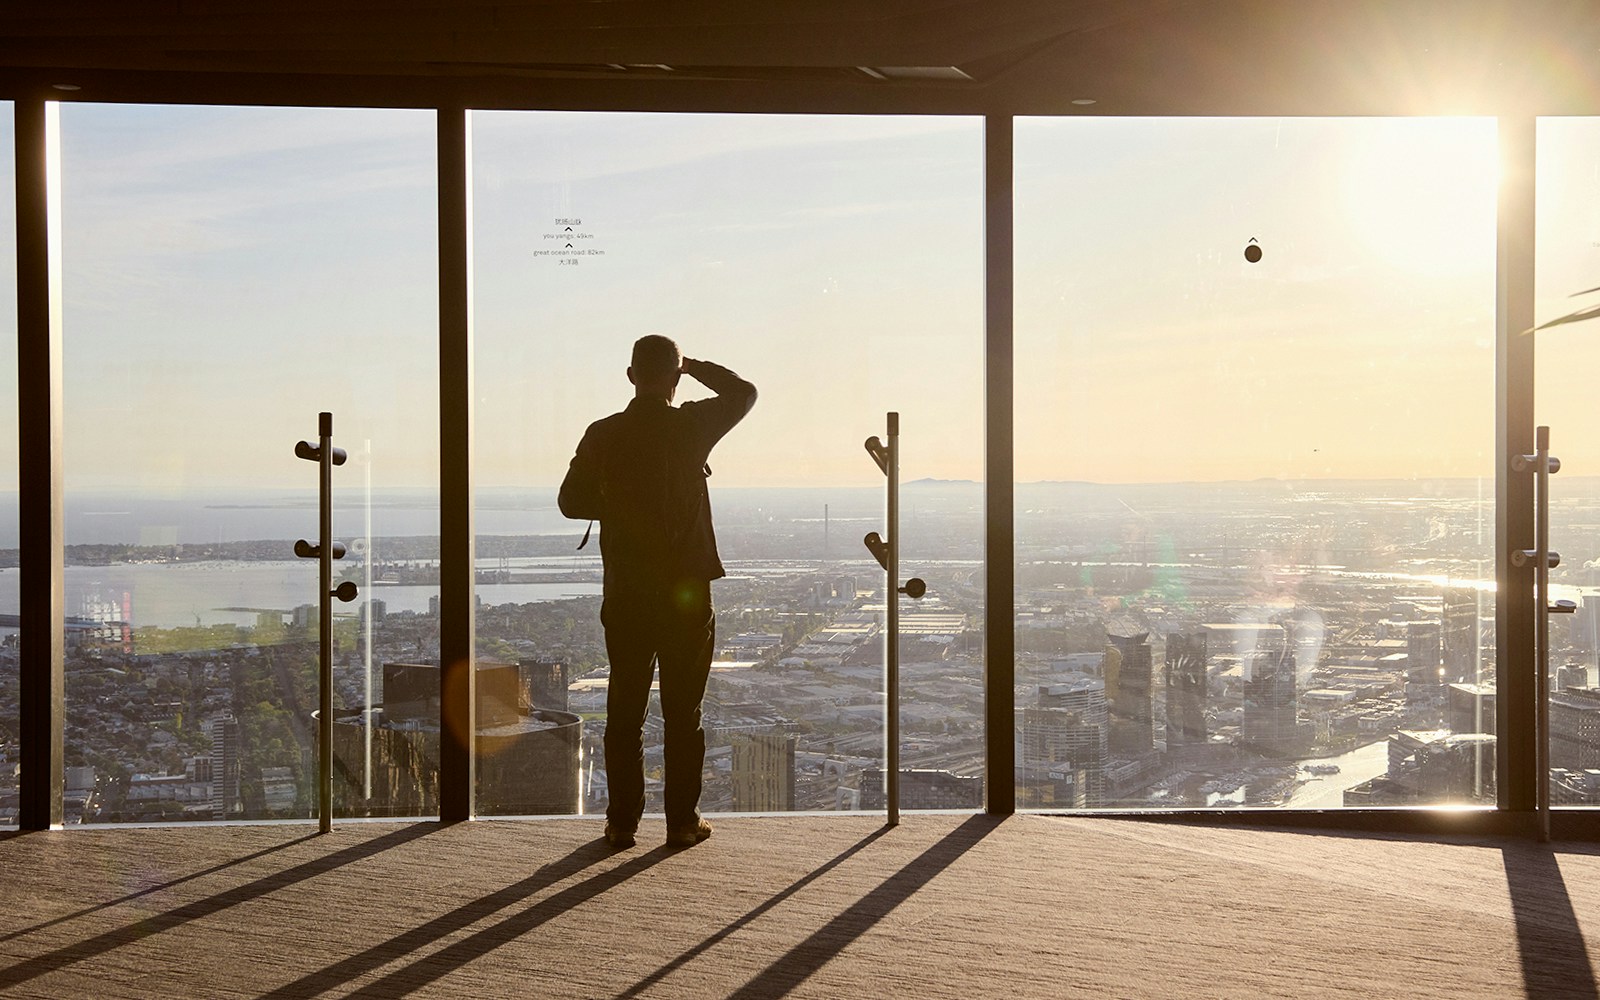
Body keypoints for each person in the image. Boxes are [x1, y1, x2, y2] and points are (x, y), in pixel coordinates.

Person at [558, 335, 756, 849]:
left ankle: (622, 822)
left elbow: (570, 501)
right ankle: (682, 824)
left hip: (627, 591)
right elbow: (744, 392)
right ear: (673, 377)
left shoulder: (604, 433)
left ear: (629, 376)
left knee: (625, 708)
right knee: (682, 712)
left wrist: (620, 501)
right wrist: (693, 366)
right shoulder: (691, 426)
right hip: (686, 593)